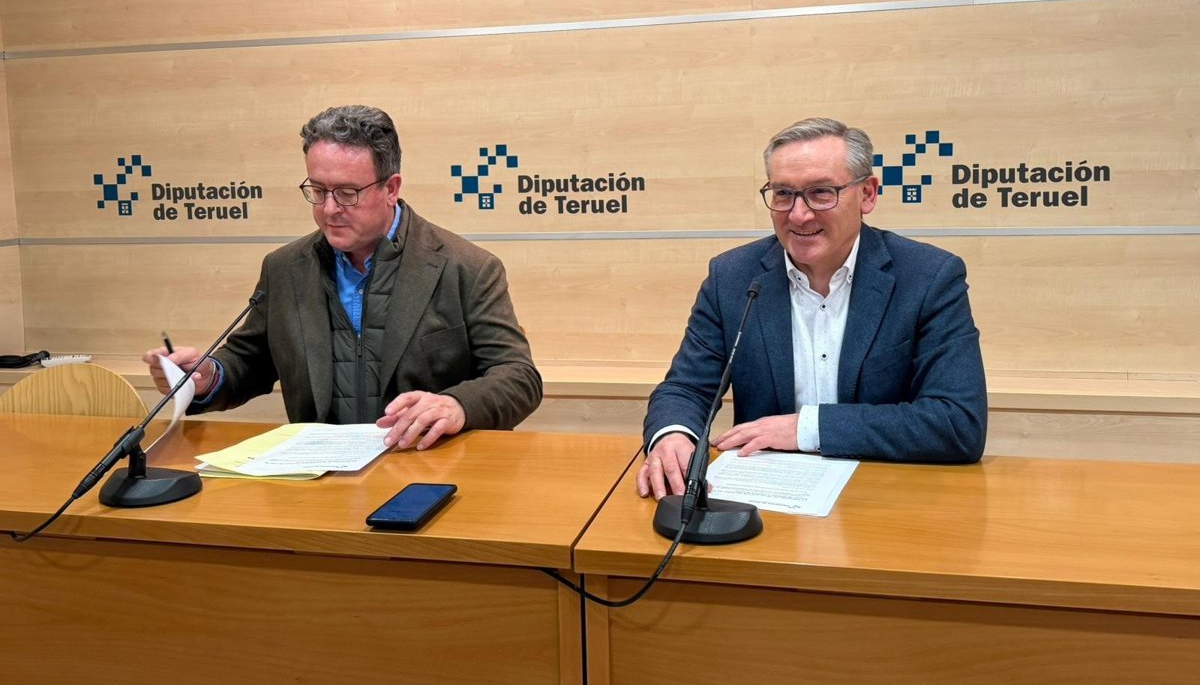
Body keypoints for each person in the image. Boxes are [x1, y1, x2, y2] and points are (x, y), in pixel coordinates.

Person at [143, 105, 542, 451]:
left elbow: (518, 376)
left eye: (347, 193)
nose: (329, 209)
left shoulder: (466, 267)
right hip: (319, 476)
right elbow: (250, 361)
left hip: (428, 465)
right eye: (318, 191)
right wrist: (208, 377)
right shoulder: (285, 268)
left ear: (391, 188)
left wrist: (457, 405)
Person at [637, 118, 986, 499]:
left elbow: (957, 422)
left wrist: (806, 429)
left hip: (887, 498)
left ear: (867, 194)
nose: (799, 215)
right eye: (783, 194)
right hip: (768, 500)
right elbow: (685, 389)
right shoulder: (733, 277)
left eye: (821, 193)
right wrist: (672, 435)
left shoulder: (928, 277)